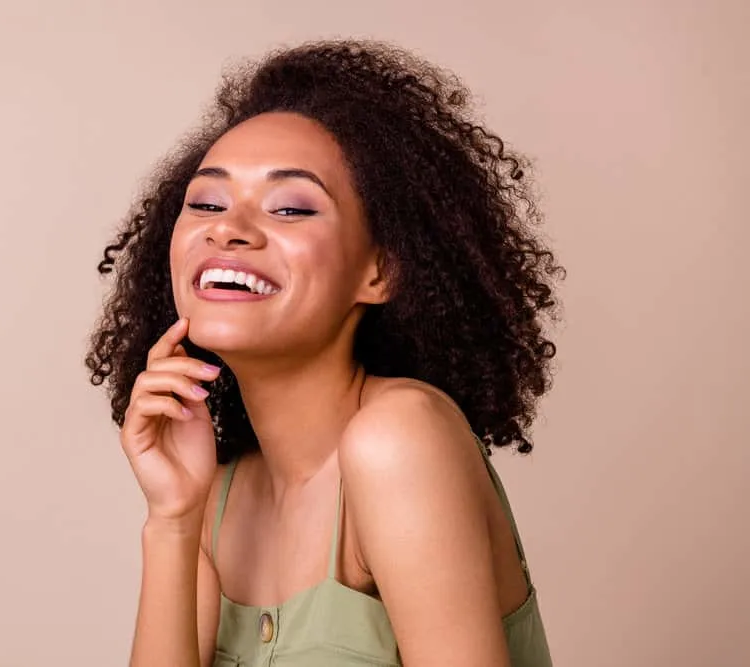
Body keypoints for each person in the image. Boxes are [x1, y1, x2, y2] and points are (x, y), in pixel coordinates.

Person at [87, 39, 562, 667]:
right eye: (205, 202)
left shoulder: (399, 439)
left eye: (290, 207)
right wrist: (171, 521)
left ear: (381, 271)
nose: (226, 228)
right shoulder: (215, 498)